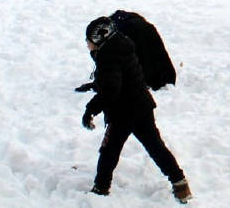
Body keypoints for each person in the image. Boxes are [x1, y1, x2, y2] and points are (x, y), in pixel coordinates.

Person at [81, 17, 192, 203]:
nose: (87, 45)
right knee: (156, 147)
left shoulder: (109, 57)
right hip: (142, 106)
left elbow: (110, 90)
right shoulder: (121, 46)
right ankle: (180, 183)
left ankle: (100, 188)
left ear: (101, 39)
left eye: (89, 41)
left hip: (123, 112)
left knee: (109, 151)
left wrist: (90, 109)